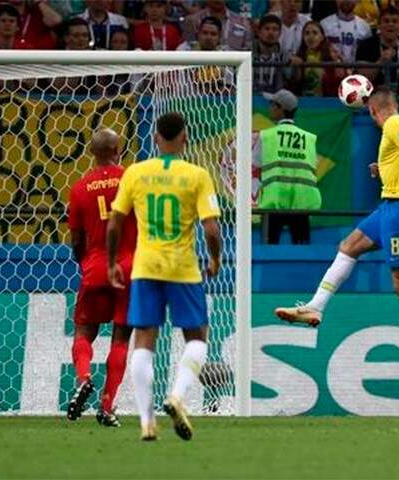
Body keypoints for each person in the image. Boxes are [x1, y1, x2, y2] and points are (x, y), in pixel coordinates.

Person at [275, 88, 399, 384]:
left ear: (374, 111)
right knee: (349, 245)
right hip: (391, 204)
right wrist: (384, 168)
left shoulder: (394, 124)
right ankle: (316, 307)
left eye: (371, 116)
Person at [107, 112, 222, 441]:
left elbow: (115, 222)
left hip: (145, 267)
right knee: (197, 338)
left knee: (144, 340)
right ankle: (177, 396)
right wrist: (214, 259)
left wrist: (113, 261)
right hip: (183, 268)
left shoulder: (136, 173)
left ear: (155, 138)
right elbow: (211, 228)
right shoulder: (197, 175)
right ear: (185, 138)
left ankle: (146, 421)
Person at [66, 128, 137, 427]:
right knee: (121, 338)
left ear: (91, 152)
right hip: (130, 270)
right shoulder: (134, 181)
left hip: (95, 268)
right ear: (119, 149)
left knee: (84, 333)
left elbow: (76, 239)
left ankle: (84, 377)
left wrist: (84, 262)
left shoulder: (80, 188)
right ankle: (107, 406)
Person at [257, 89, 321, 244]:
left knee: (269, 250)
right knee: (302, 253)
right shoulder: (309, 138)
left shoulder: (266, 136)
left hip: (275, 201)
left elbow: (257, 162)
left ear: (281, 109)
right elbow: (313, 165)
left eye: (272, 104)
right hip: (302, 202)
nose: (270, 108)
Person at [356, 6, 399, 92]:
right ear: (379, 26)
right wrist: (381, 61)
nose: (390, 24)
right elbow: (363, 79)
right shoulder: (366, 46)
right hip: (373, 96)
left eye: (394, 21)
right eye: (386, 21)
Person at [291, 21, 346, 96]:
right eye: (307, 33)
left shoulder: (332, 55)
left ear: (322, 37)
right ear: (303, 38)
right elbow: (295, 84)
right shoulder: (299, 56)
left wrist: (337, 63)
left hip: (326, 101)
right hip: (303, 101)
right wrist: (297, 67)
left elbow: (340, 83)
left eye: (315, 33)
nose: (311, 36)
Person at [182, 0, 251, 50]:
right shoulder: (192, 20)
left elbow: (248, 51)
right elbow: (188, 48)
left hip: (234, 67)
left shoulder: (242, 22)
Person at [253, 14, 286, 94]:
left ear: (280, 33)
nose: (271, 32)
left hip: (276, 101)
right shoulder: (247, 55)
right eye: (267, 29)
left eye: (275, 29)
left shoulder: (285, 56)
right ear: (259, 32)